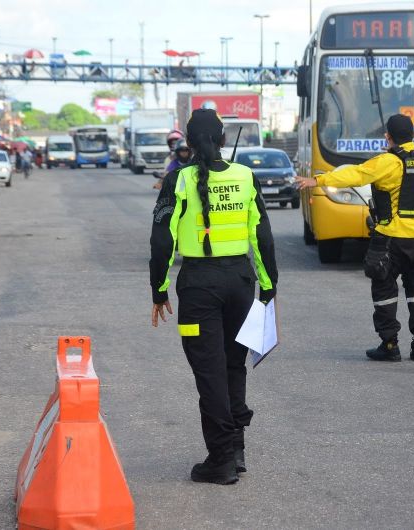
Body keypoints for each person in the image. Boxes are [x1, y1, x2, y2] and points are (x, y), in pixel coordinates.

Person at [149, 109, 278, 485]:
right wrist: (269, 288)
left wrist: (158, 290)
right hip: (241, 281)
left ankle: (221, 459)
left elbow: (161, 241)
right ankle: (235, 448)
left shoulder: (178, 180)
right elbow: (263, 238)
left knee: (209, 372)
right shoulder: (245, 176)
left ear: (188, 144)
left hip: (199, 286)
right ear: (222, 141)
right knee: (233, 366)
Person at [296, 114, 414, 362]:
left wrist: (318, 180)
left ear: (388, 136)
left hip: (391, 238)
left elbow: (356, 175)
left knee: (384, 289)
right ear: (412, 135)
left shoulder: (388, 162)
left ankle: (390, 345)